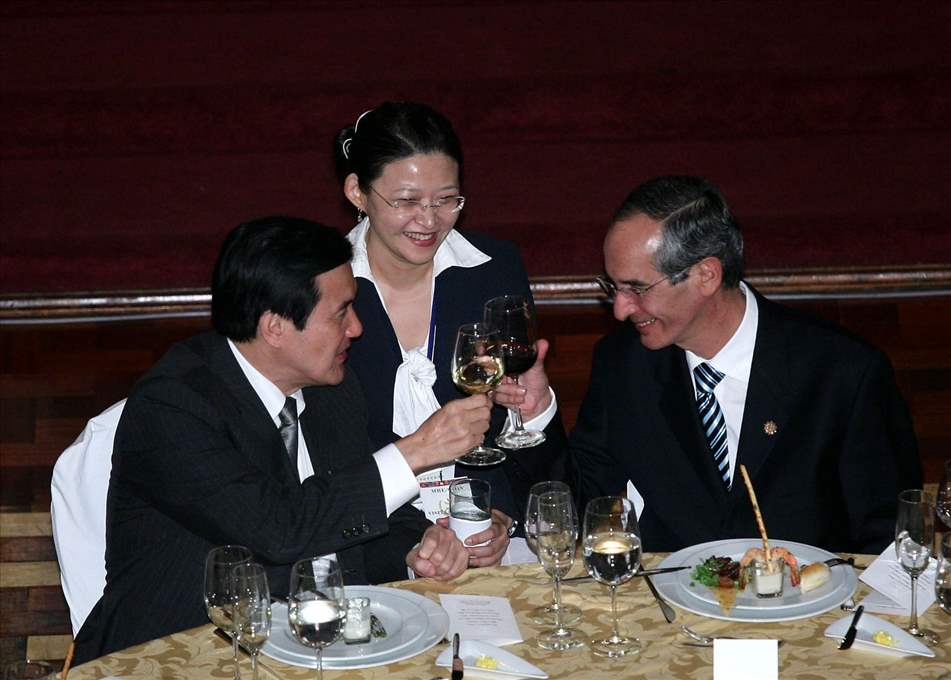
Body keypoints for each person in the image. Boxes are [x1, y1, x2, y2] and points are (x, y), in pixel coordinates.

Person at [74, 216, 509, 663]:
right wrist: (415, 451)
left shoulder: (332, 389)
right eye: (340, 313)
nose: (356, 328)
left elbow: (348, 515)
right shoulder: (174, 407)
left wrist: (418, 548)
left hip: (310, 644)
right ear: (275, 327)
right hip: (176, 653)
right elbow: (281, 530)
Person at [540, 175, 920, 554]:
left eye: (637, 288)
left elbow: (889, 534)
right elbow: (576, 507)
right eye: (613, 287)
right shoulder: (623, 363)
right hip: (669, 589)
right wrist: (536, 412)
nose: (621, 309)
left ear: (706, 275)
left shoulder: (843, 373)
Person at [333, 101, 566, 530]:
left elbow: (521, 447)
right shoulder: (324, 285)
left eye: (446, 200)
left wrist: (501, 519)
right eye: (407, 201)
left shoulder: (494, 269)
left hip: (485, 528)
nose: (429, 220)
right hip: (369, 533)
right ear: (357, 192)